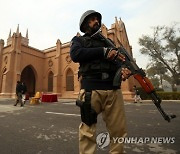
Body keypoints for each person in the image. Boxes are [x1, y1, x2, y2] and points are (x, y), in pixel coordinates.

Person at [70, 10, 131, 154]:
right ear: (85, 24)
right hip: (91, 91)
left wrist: (123, 70)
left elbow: (117, 62)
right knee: (87, 132)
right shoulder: (79, 40)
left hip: (113, 91)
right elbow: (76, 54)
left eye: (97, 19)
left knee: (118, 132)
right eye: (92, 19)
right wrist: (102, 52)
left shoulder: (109, 42)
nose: (96, 21)